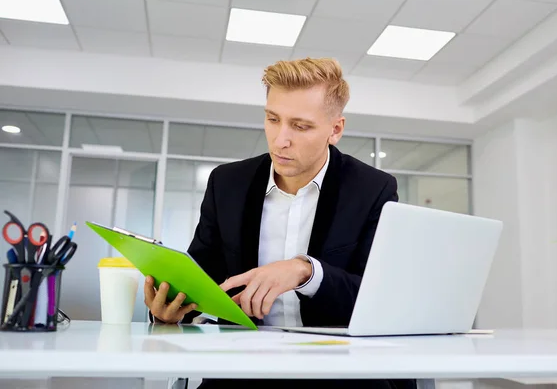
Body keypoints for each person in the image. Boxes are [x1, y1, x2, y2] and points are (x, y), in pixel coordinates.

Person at [144, 57, 415, 389]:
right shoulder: (227, 183)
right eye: (273, 119)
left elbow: (378, 297)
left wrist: (306, 272)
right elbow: (202, 276)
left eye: (300, 126)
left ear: (336, 129)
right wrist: (171, 310)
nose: (280, 140)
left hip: (339, 373)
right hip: (243, 372)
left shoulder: (372, 189)